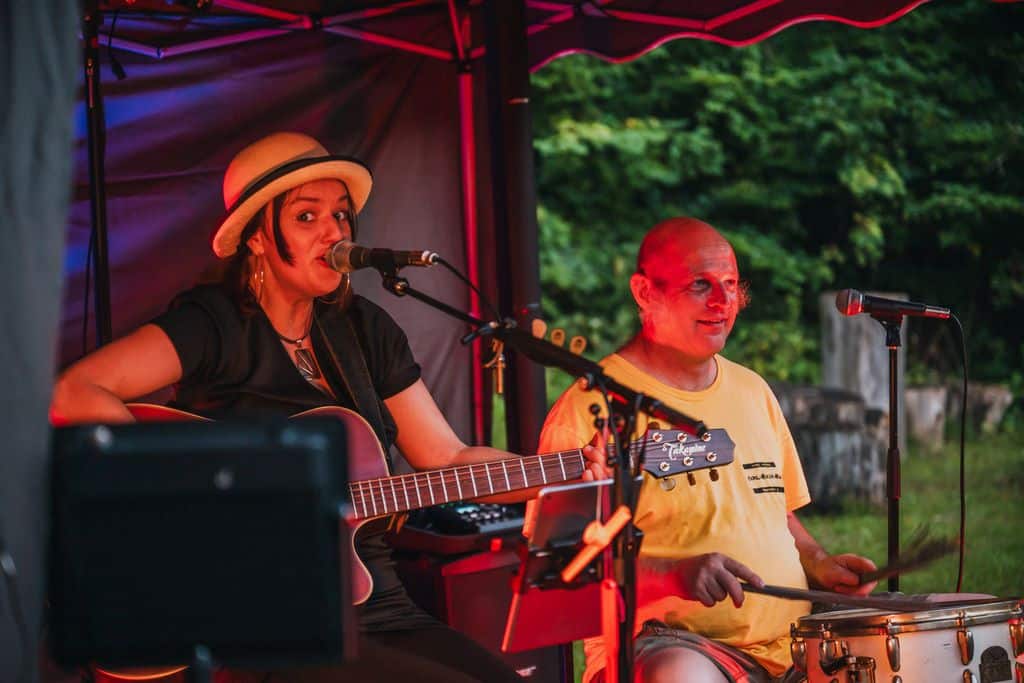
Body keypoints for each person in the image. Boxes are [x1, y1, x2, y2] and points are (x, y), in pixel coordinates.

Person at [51, 131, 605, 683]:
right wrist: (194, 500)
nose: (335, 232)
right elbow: (75, 391)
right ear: (258, 239)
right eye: (307, 217)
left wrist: (565, 472)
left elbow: (447, 455)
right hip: (266, 620)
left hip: (376, 603)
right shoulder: (213, 324)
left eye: (340, 215)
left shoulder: (365, 330)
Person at [535, 217, 878, 683]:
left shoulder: (752, 389)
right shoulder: (591, 407)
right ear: (644, 292)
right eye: (700, 285)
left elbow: (775, 511)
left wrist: (819, 563)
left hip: (793, 642)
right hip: (667, 643)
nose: (722, 301)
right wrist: (672, 573)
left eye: (731, 285)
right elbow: (563, 571)